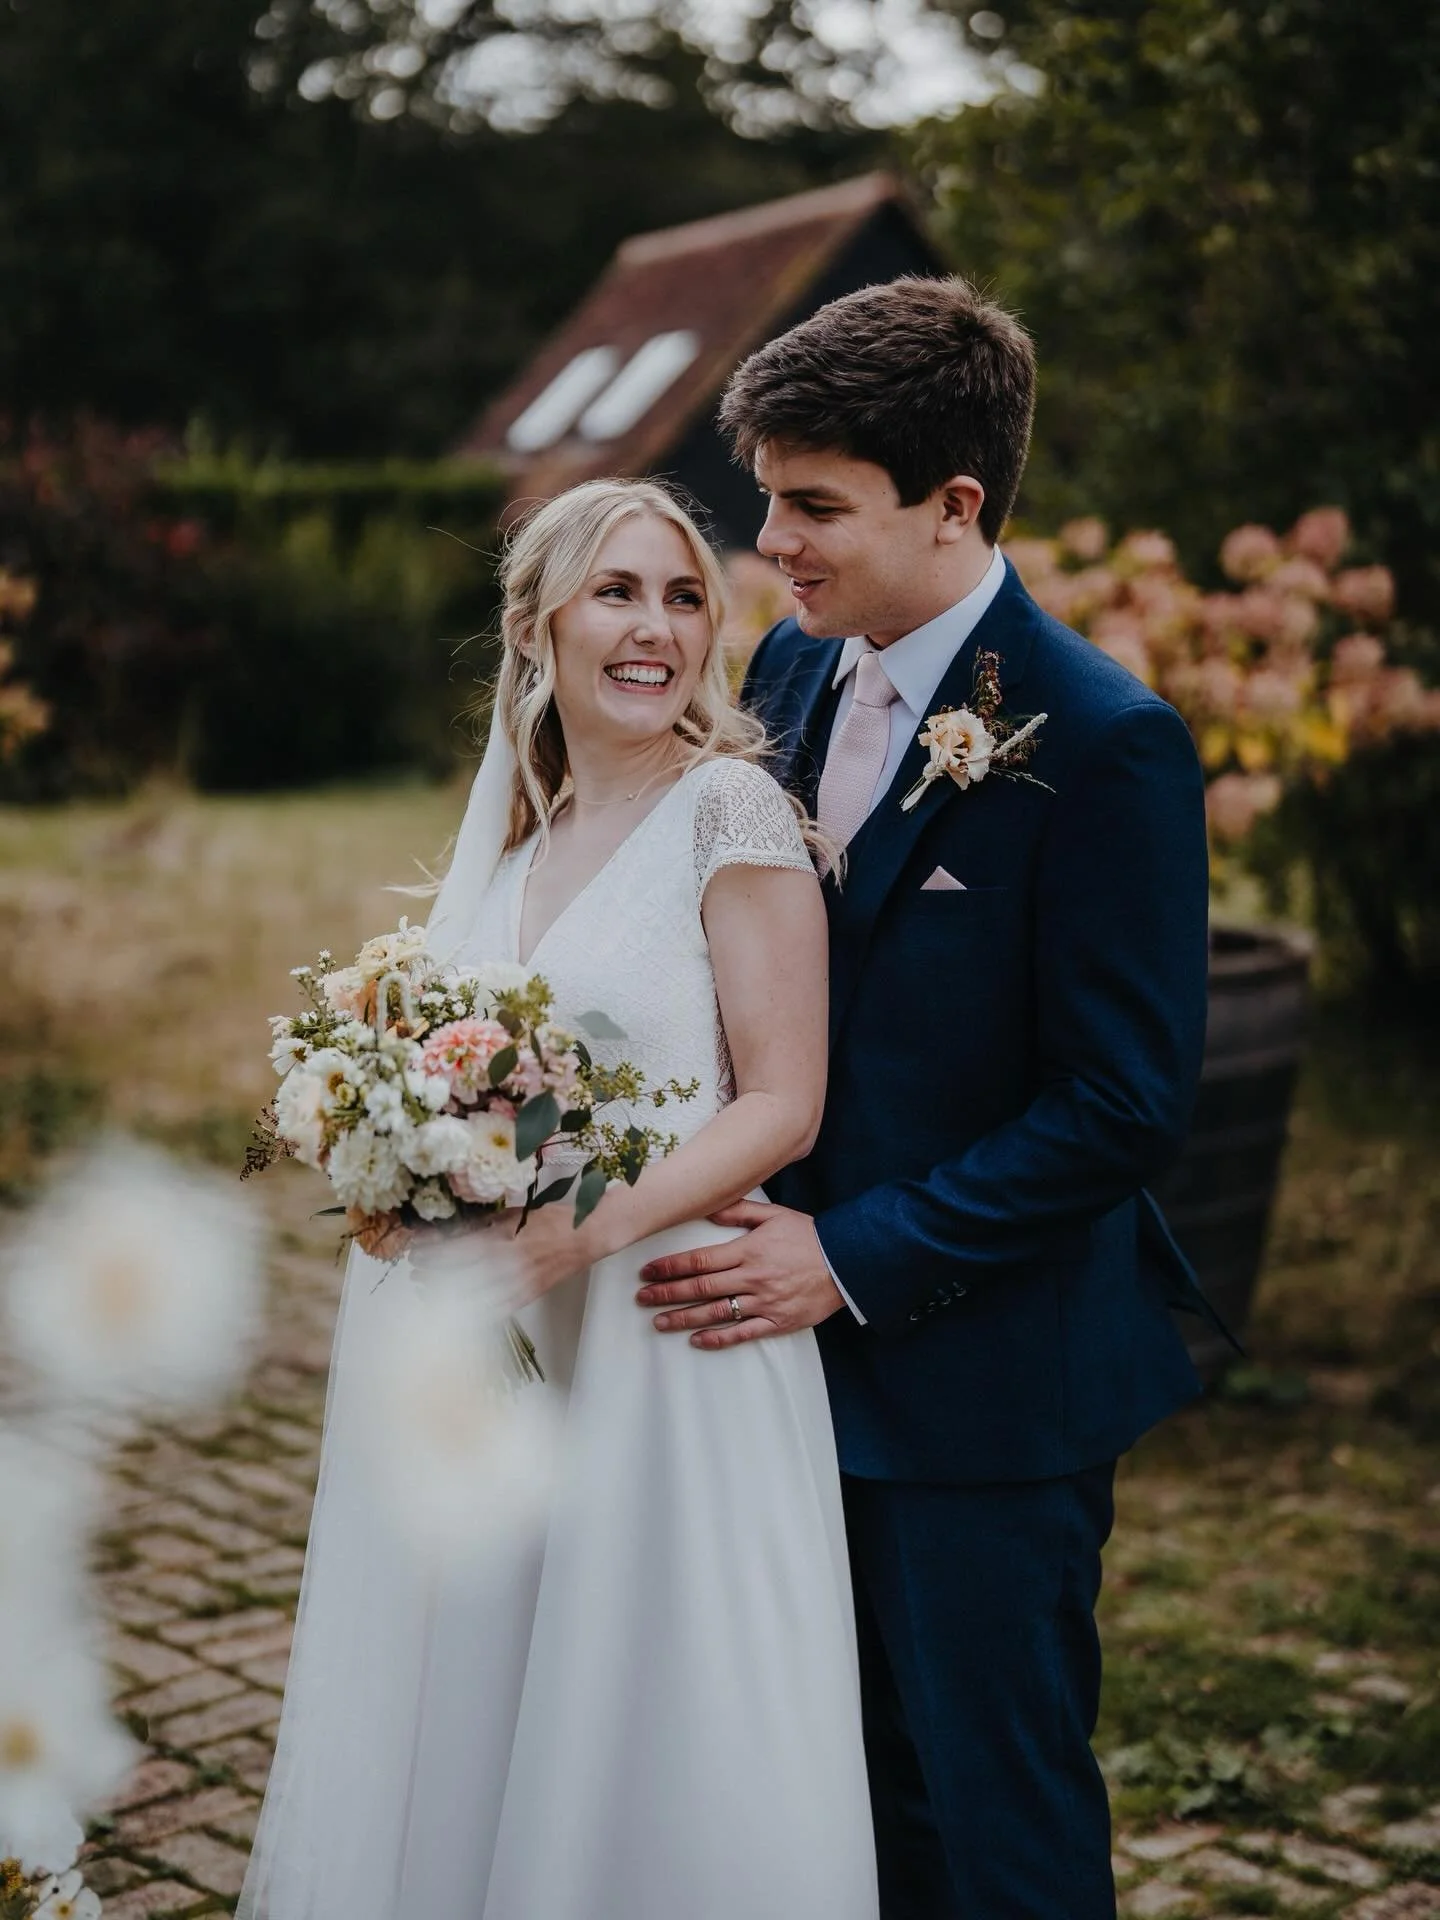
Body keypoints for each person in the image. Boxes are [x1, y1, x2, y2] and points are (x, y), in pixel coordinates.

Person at [634, 275, 1220, 1919]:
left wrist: (848, 1257)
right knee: (840, 1802)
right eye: (769, 502)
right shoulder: (795, 681)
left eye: (816, 508)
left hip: (985, 1392)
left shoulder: (1106, 743)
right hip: (773, 1385)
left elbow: (1120, 1103)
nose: (774, 548)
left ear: (956, 505)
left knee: (993, 1809)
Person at [237, 479, 879, 1920]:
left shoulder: (732, 811)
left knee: (658, 1714)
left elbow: (783, 1103)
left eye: (683, 596)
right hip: (519, 1348)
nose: (654, 628)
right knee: (498, 1693)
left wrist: (583, 1226)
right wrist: (404, 1174)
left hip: (669, 1327)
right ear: (535, 625)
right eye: (616, 592)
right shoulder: (520, 849)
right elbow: (483, 1092)